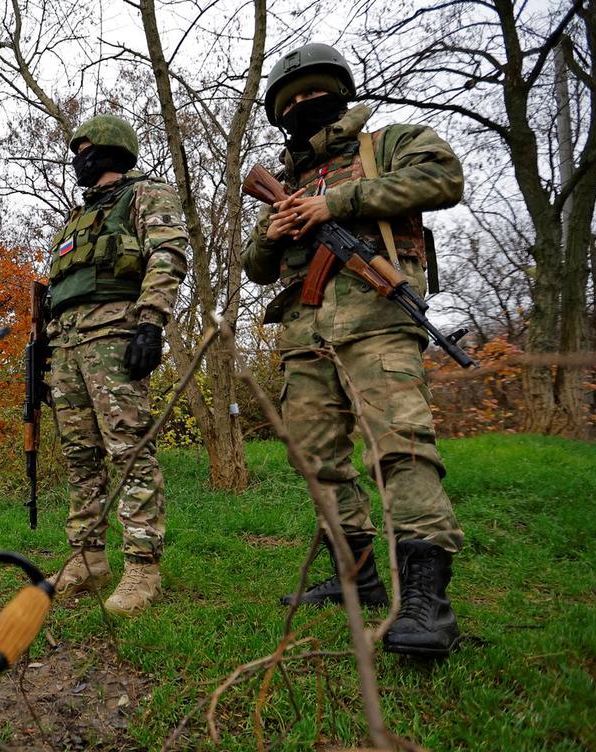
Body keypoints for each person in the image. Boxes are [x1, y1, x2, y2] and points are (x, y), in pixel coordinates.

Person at [241, 43, 466, 657]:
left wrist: (335, 204)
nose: (304, 105)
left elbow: (444, 178)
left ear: (338, 91)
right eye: (291, 101)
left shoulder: (386, 143)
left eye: (315, 93)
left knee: (402, 447)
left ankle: (426, 601)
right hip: (302, 335)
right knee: (316, 461)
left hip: (377, 320)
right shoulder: (283, 182)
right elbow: (254, 267)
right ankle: (356, 576)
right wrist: (273, 231)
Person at [43, 114, 188, 617]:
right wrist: (44, 354)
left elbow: (168, 254)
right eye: (75, 148)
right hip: (65, 346)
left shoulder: (147, 195)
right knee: (80, 455)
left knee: (129, 449)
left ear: (110, 147)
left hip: (115, 337)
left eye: (86, 146)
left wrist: (151, 323)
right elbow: (57, 291)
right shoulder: (75, 220)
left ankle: (143, 566)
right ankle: (87, 559)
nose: (79, 155)